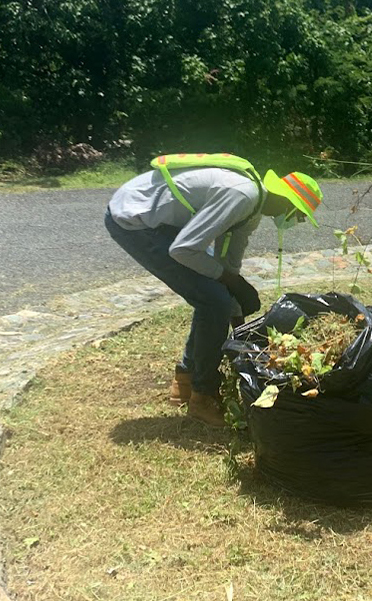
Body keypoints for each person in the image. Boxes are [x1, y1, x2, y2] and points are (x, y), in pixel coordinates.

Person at [105, 155, 323, 427]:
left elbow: (226, 264)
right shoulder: (243, 196)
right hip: (135, 219)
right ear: (288, 202)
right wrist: (234, 286)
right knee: (213, 301)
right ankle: (203, 397)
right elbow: (184, 250)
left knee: (214, 298)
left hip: (156, 220)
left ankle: (184, 381)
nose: (299, 222)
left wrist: (238, 319)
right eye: (300, 214)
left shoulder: (251, 211)